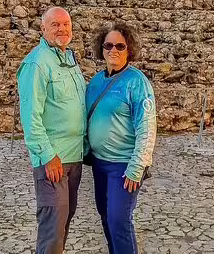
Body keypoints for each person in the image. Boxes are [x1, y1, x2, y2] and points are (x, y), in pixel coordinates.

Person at [17, 6, 87, 254]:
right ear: (43, 28)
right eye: (55, 24)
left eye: (66, 24)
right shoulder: (37, 63)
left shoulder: (69, 59)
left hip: (74, 158)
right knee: (52, 233)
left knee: (63, 226)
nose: (62, 29)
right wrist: (47, 155)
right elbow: (30, 117)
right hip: (53, 162)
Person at [85, 22, 157, 254]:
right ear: (101, 48)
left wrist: (138, 165)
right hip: (99, 163)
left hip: (124, 166)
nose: (113, 50)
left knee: (118, 219)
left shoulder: (137, 82)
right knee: (105, 215)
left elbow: (146, 126)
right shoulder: (95, 82)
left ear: (129, 49)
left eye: (120, 45)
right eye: (108, 45)